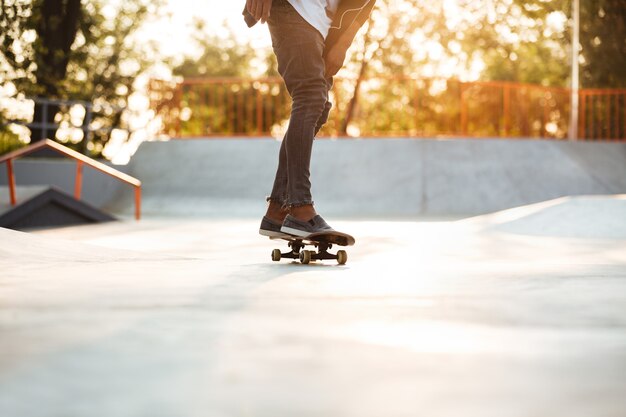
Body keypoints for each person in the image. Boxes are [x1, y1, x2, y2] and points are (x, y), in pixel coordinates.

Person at [244, 0, 376, 238]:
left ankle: (278, 210)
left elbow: (365, 5)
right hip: (292, 8)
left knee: (319, 107)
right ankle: (300, 208)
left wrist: (342, 44)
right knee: (310, 96)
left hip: (322, 25)